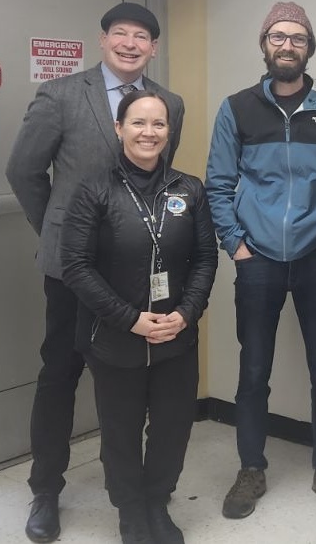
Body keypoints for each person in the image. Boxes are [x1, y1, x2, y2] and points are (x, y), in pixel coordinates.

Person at [6, 2, 185, 543]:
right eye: (120, 34)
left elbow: (156, 174)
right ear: (103, 40)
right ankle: (45, 490)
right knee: (59, 375)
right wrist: (61, 232)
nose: (131, 44)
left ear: (154, 47)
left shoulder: (167, 103)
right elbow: (24, 170)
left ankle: (143, 499)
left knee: (133, 383)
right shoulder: (61, 94)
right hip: (71, 271)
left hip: (138, 274)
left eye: (142, 37)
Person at [205, 1, 316, 519]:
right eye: (278, 36)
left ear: (309, 48)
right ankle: (251, 468)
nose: (287, 45)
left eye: (297, 38)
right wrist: (237, 245)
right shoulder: (237, 108)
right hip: (258, 261)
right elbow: (218, 183)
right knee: (253, 371)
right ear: (264, 44)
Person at [60, 90, 217, 544]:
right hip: (115, 338)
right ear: (119, 128)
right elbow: (76, 266)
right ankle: (130, 510)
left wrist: (186, 314)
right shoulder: (94, 189)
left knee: (172, 427)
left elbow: (206, 258)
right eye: (138, 123)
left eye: (159, 124)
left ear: (169, 132)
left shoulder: (190, 189)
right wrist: (129, 318)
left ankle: (157, 501)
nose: (149, 133)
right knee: (121, 431)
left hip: (176, 337)